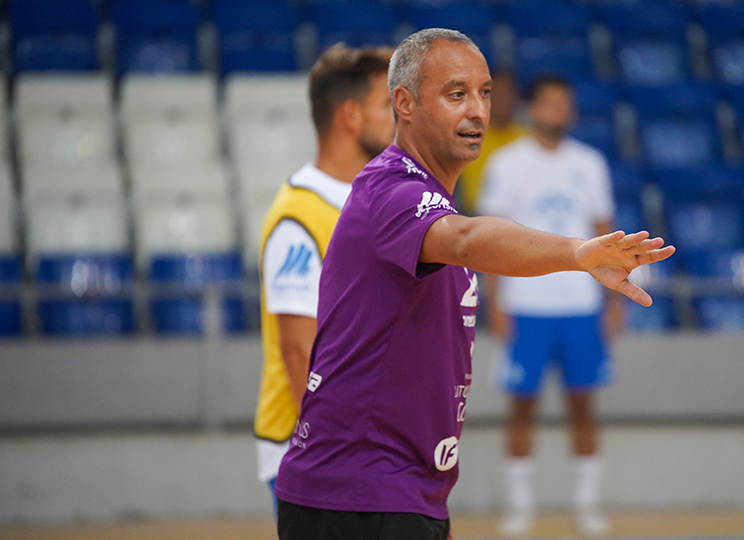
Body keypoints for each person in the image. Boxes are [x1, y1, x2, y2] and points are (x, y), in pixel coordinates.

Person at [274, 28, 674, 540]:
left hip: (401, 494)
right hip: (358, 496)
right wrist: (576, 253)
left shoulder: (426, 198)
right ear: (405, 104)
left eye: (484, 93)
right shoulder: (389, 189)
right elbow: (467, 240)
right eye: (456, 93)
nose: (479, 111)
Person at [252, 43, 395, 512]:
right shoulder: (298, 215)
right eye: (387, 106)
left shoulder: (375, 197)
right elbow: (299, 350)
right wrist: (333, 457)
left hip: (367, 449)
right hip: (314, 453)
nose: (400, 117)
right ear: (351, 116)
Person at [478, 75, 619, 538]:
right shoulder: (505, 163)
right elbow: (491, 240)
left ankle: (587, 507)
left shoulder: (591, 164)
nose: (559, 111)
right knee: (521, 407)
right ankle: (521, 509)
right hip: (526, 304)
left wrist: (612, 301)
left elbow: (608, 234)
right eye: (550, 103)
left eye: (566, 103)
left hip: (580, 304)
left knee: (584, 405)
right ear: (532, 108)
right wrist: (496, 302)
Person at [456, 70, 526, 215]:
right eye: (493, 94)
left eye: (506, 94)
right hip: (472, 216)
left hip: (521, 216)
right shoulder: (465, 137)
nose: (501, 99)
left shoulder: (528, 137)